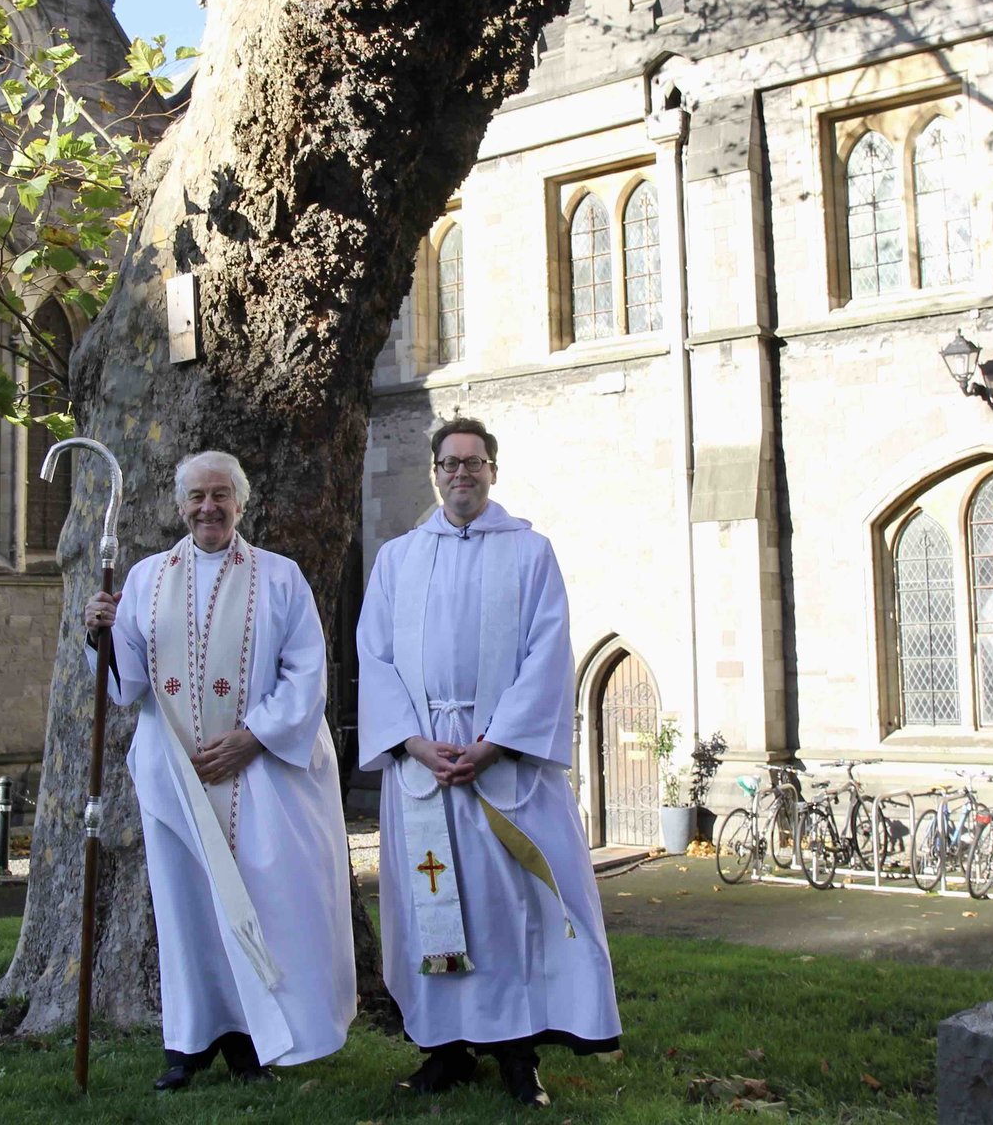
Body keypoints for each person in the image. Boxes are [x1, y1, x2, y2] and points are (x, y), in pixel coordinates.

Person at [355, 417, 620, 1108]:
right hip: (424, 765)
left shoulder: (529, 553)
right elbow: (374, 658)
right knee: (432, 907)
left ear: (492, 471)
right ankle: (442, 1050)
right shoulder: (399, 559)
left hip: (501, 762)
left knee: (511, 911)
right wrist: (413, 742)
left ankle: (516, 1054)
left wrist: (495, 742)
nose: (461, 474)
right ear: (435, 472)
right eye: (450, 463)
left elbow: (547, 652)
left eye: (474, 463)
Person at [83, 450, 355, 1091]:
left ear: (241, 502)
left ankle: (254, 1042)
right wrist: (99, 631)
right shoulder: (149, 578)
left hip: (257, 779)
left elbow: (306, 673)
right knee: (187, 914)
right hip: (175, 778)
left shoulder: (281, 578)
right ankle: (188, 1044)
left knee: (262, 907)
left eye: (220, 495)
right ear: (180, 506)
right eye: (197, 497)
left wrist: (252, 738)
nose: (209, 507)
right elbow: (126, 686)